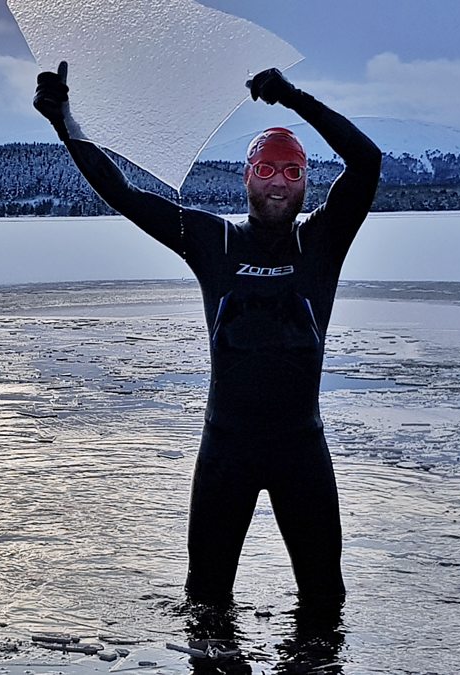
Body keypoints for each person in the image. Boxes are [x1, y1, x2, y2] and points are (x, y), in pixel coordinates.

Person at [34, 63, 381, 607]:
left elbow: (367, 161)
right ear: (247, 176)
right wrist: (65, 124)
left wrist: (293, 98)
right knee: (205, 603)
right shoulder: (212, 241)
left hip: (301, 453)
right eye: (267, 169)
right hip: (226, 453)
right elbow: (123, 194)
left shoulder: (321, 241)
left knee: (324, 604)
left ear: (306, 181)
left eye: (292, 171)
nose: (279, 182)